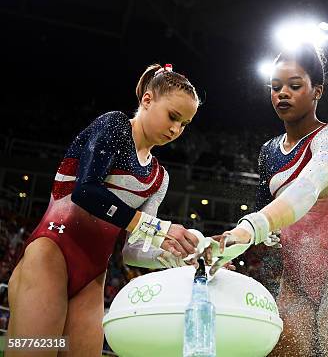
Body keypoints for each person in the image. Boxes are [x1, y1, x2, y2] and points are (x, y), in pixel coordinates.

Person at [7, 63, 202, 356]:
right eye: (173, 117)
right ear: (147, 100)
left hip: (92, 276)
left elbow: (133, 251)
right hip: (51, 255)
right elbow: (85, 192)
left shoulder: (159, 178)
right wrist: (159, 228)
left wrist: (179, 259)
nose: (176, 129)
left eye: (184, 124)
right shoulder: (114, 126)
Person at [211, 43, 328, 356]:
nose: (282, 93)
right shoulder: (268, 152)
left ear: (317, 91)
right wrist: (229, 248)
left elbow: (305, 190)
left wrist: (250, 227)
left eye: (294, 86)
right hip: (294, 284)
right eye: (275, 87)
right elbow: (267, 222)